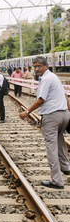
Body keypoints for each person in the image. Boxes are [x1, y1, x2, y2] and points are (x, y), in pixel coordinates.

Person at [19, 56, 70, 189]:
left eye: (39, 66)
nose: (36, 69)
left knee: (51, 148)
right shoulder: (54, 77)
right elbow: (64, 95)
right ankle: (66, 168)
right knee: (60, 140)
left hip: (52, 116)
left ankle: (57, 181)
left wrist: (27, 112)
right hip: (64, 114)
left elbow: (41, 99)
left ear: (46, 66)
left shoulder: (46, 79)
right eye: (35, 66)